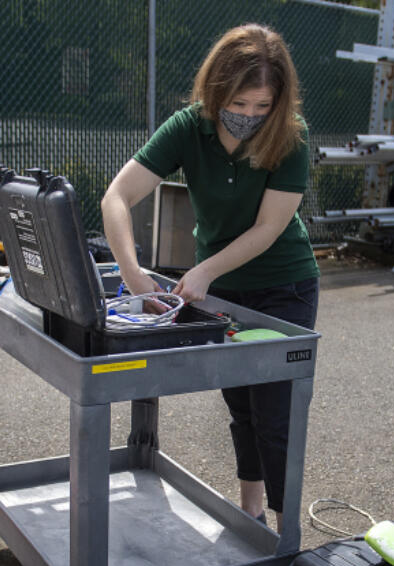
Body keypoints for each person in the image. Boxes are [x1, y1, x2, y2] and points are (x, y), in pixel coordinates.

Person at [101, 23, 319, 530]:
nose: (249, 117)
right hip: (222, 289)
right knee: (241, 405)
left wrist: (204, 270)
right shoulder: (188, 127)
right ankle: (251, 513)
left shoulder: (291, 135)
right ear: (217, 91)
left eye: (262, 107)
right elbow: (117, 197)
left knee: (276, 417)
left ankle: (287, 543)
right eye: (239, 104)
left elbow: (268, 229)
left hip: (284, 286)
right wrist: (133, 276)